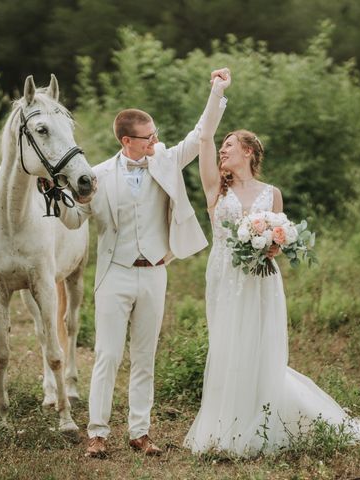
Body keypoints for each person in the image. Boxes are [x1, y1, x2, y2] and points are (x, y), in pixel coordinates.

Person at [184, 69, 360, 456]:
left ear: (248, 152)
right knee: (226, 346)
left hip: (262, 279)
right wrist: (218, 92)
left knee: (259, 346)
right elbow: (203, 136)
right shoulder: (214, 187)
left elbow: (282, 239)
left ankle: (263, 419)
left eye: (230, 145)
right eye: (223, 145)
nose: (222, 149)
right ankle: (225, 426)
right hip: (224, 277)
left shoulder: (273, 194)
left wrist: (274, 247)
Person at [58, 69, 230, 458]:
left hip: (154, 272)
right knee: (107, 355)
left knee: (145, 356)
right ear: (126, 141)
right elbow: (73, 221)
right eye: (148, 137)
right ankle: (97, 433)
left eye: (155, 134)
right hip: (114, 274)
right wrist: (64, 200)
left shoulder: (166, 160)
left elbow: (200, 132)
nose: (155, 140)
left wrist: (218, 92)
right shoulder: (98, 175)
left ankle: (140, 431)